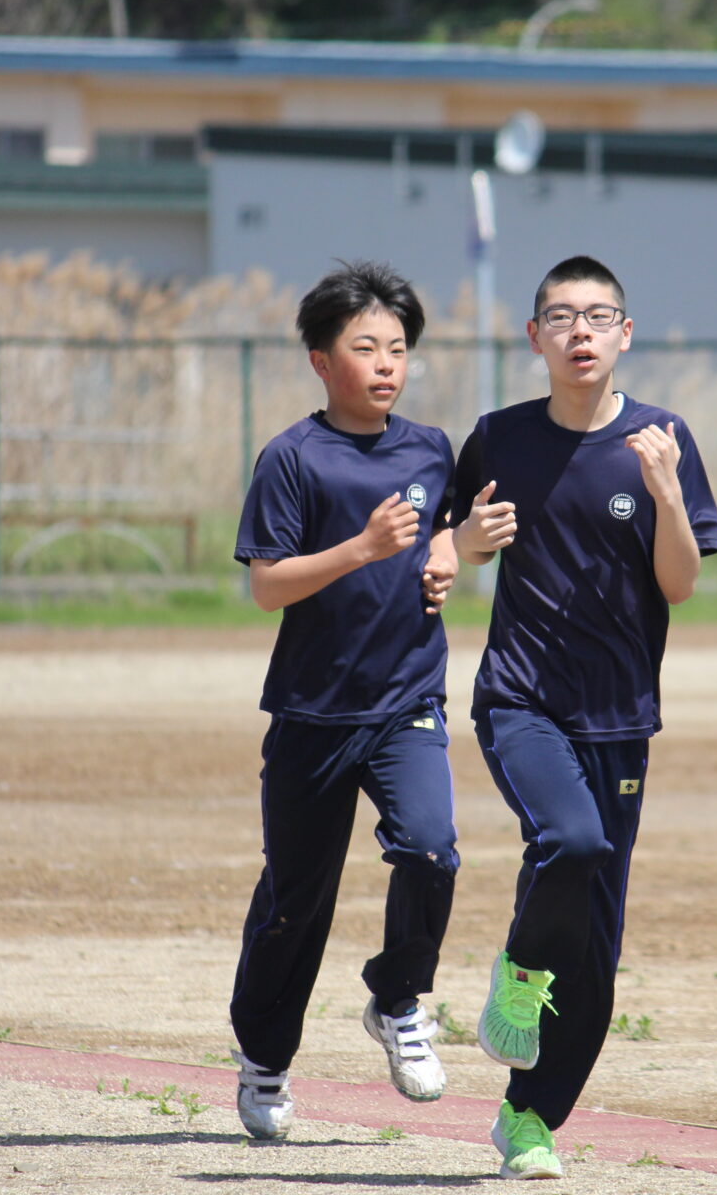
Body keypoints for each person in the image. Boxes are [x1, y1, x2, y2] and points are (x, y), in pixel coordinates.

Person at [450, 255, 717, 1179]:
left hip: (621, 716)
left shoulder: (661, 438)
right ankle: (519, 975)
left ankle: (529, 1118)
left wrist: (669, 495)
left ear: (624, 335)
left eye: (597, 316)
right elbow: (449, 559)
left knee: (598, 958)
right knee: (571, 840)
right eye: (561, 317)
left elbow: (679, 583)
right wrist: (462, 545)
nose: (580, 333)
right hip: (521, 699)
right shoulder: (497, 439)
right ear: (535, 338)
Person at [228, 259, 460, 1141]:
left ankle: (398, 997)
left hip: (406, 702)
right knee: (296, 902)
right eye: (365, 347)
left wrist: (452, 548)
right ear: (323, 361)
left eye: (398, 347)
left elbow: (454, 528)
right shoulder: (291, 458)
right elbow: (267, 587)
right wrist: (361, 549)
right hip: (312, 715)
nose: (386, 363)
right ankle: (265, 1060)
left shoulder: (431, 448)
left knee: (432, 850)